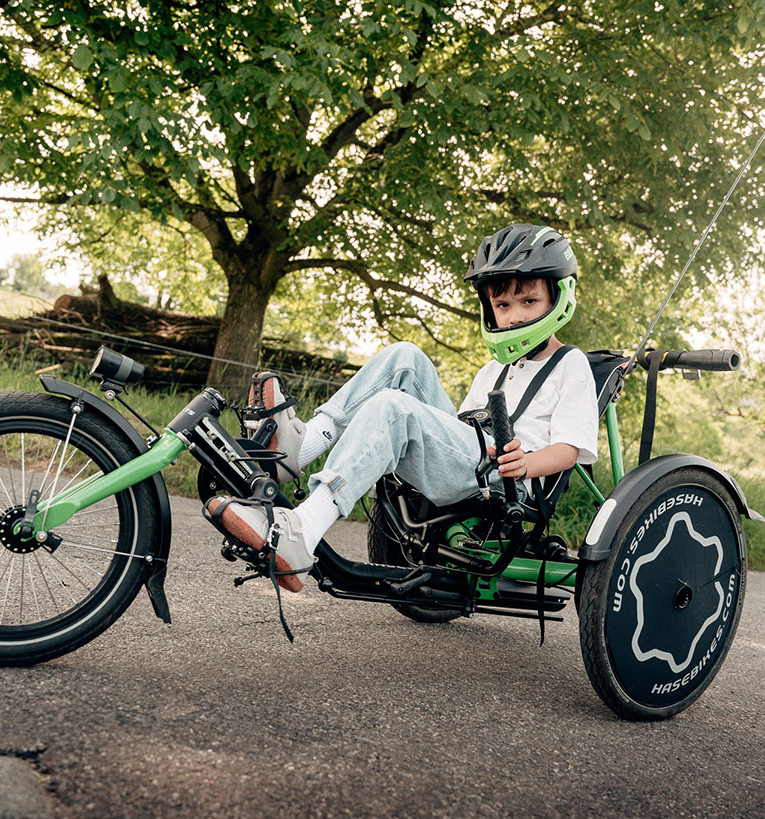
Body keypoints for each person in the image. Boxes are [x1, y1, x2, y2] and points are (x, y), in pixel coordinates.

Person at [204, 224, 599, 592]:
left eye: (529, 301)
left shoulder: (571, 364)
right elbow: (461, 427)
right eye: (503, 304)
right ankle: (300, 447)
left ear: (558, 297)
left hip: (508, 478)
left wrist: (526, 464)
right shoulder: (493, 369)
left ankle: (303, 531)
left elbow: (569, 450)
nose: (515, 316)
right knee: (405, 356)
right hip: (473, 457)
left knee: (393, 407)